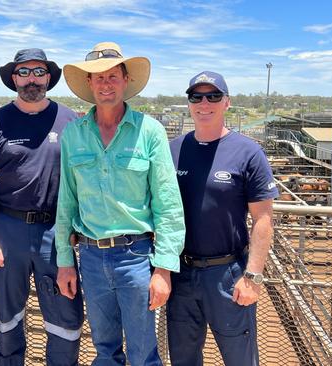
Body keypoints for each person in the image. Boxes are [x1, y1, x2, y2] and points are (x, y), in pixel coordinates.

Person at [56, 41, 185, 365]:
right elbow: (66, 202)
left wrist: (165, 268)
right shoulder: (74, 135)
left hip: (136, 258)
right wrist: (64, 261)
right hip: (90, 257)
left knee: (143, 353)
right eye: (98, 77)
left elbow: (168, 205)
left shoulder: (150, 132)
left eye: (113, 76)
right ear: (89, 83)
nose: (105, 84)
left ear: (126, 80)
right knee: (104, 350)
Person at [0, 48, 84, 365]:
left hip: (55, 230)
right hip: (9, 228)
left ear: (48, 77)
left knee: (65, 314)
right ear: (13, 78)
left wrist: (78, 228)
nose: (31, 78)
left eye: (38, 71)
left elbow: (82, 179)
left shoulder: (70, 120)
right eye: (24, 72)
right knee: (7, 316)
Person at [166, 71, 278, 366]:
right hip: (181, 271)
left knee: (239, 357)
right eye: (196, 97)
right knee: (182, 356)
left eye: (213, 96)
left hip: (227, 273)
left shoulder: (248, 152)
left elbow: (263, 219)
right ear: (189, 103)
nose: (205, 103)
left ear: (226, 103)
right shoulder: (172, 150)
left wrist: (252, 276)